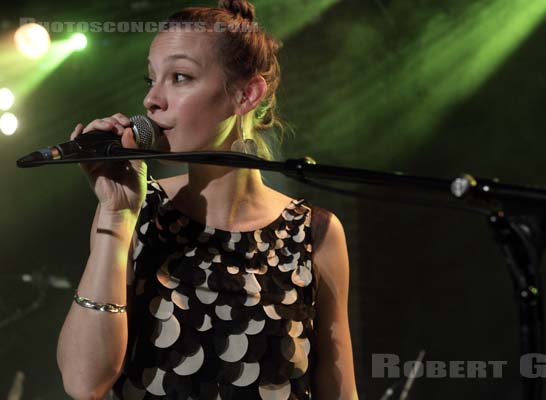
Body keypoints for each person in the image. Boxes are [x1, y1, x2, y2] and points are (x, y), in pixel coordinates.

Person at [56, 1, 358, 399]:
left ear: (246, 94)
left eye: (179, 77)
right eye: (151, 79)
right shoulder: (139, 211)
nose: (152, 100)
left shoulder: (313, 232)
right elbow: (83, 382)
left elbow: (339, 392)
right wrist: (116, 217)